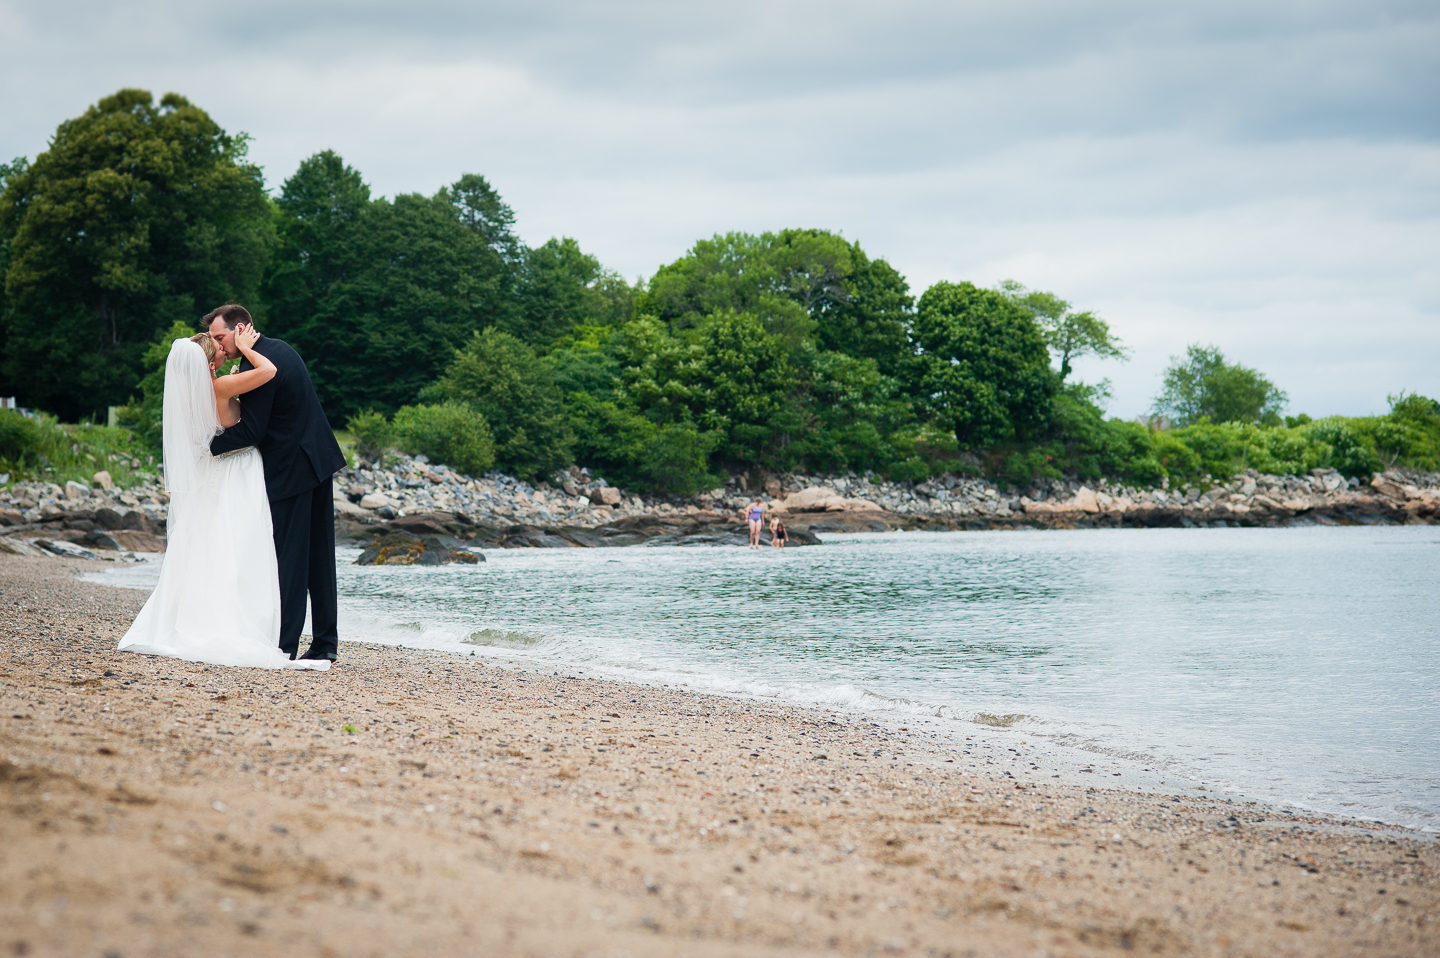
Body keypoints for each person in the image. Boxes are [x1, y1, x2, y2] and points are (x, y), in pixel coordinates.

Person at [119, 330, 327, 670]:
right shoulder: (216, 387)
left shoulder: (199, 391)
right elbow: (269, 372)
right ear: (209, 361)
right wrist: (247, 348)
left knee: (215, 546)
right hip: (237, 470)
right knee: (242, 546)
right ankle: (242, 621)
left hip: (219, 471)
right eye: (219, 348)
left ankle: (211, 615)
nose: (225, 349)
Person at [207, 305, 347, 663]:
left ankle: (285, 647)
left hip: (293, 469)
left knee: (291, 559)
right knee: (319, 557)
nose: (218, 345)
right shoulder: (278, 348)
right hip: (316, 459)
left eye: (220, 337)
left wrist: (207, 447)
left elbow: (253, 431)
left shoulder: (259, 364)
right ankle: (325, 644)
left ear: (240, 329)